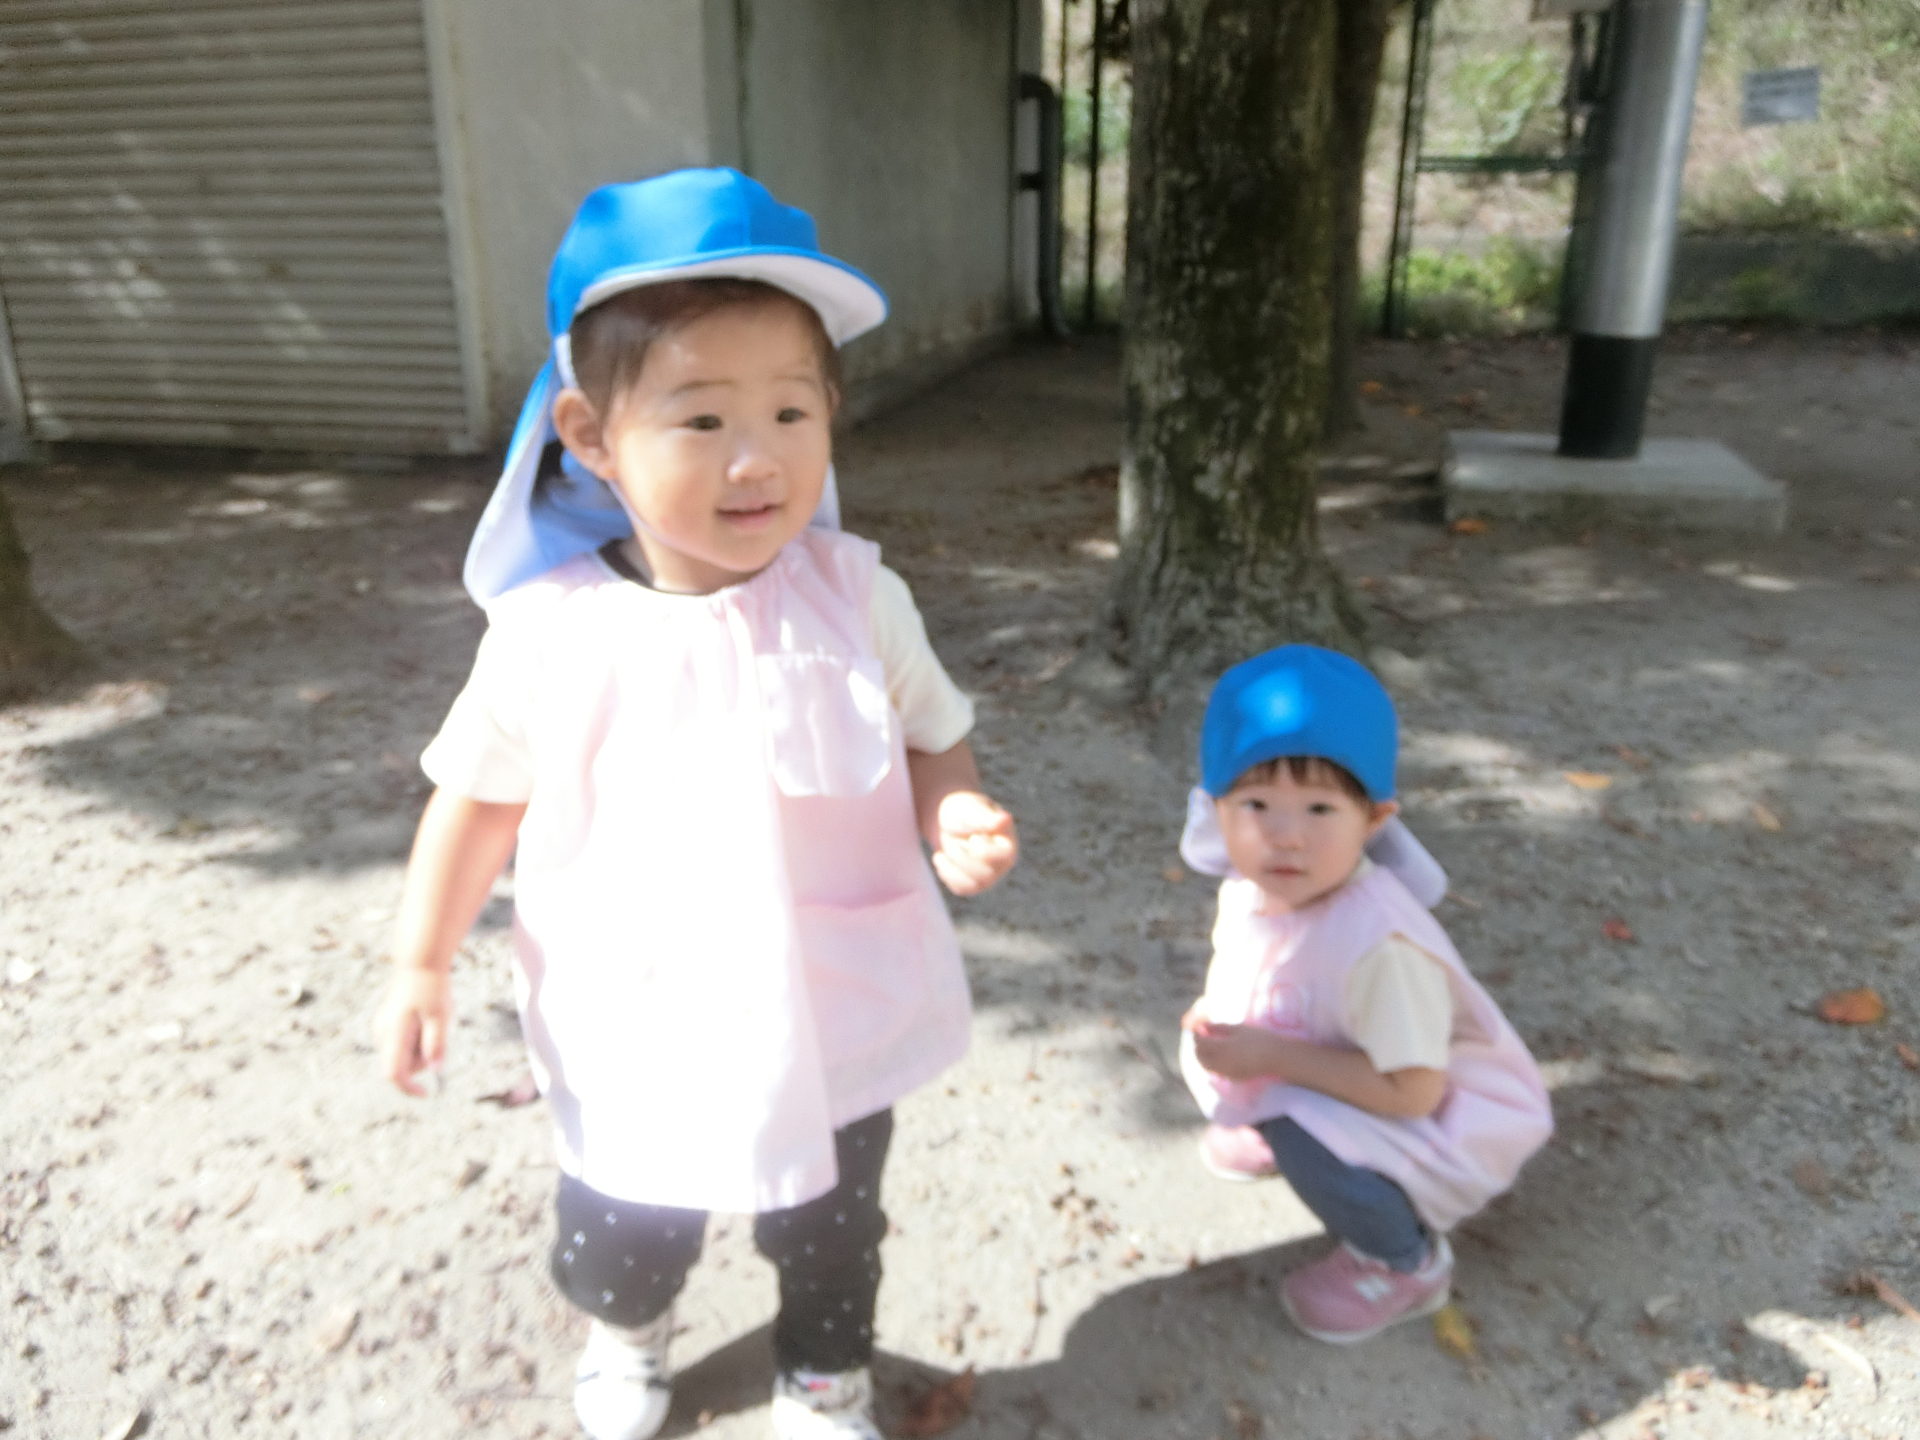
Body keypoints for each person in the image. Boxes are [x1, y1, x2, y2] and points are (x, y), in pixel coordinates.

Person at [373, 168, 1017, 1440]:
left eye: (791, 409)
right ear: (590, 434)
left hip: (829, 997)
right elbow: (475, 802)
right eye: (703, 417)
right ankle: (628, 1326)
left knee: (832, 1221)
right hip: (637, 1012)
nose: (757, 456)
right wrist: (420, 961)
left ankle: (822, 1367)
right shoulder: (550, 634)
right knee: (627, 1218)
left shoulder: (859, 598)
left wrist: (952, 810)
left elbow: (934, 732)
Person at [1177, 645, 1551, 1344]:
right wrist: (1224, 1026)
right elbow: (1257, 971)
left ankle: (1403, 1261)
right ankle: (1266, 1124)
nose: (1286, 837)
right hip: (1332, 1064)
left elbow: (1414, 1093)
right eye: (1256, 804)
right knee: (1281, 1104)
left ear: (1374, 819)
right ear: (1215, 810)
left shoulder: (1381, 949)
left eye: (1320, 807)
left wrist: (1270, 1059)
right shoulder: (1255, 888)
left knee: (1304, 1133)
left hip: (1438, 1120)